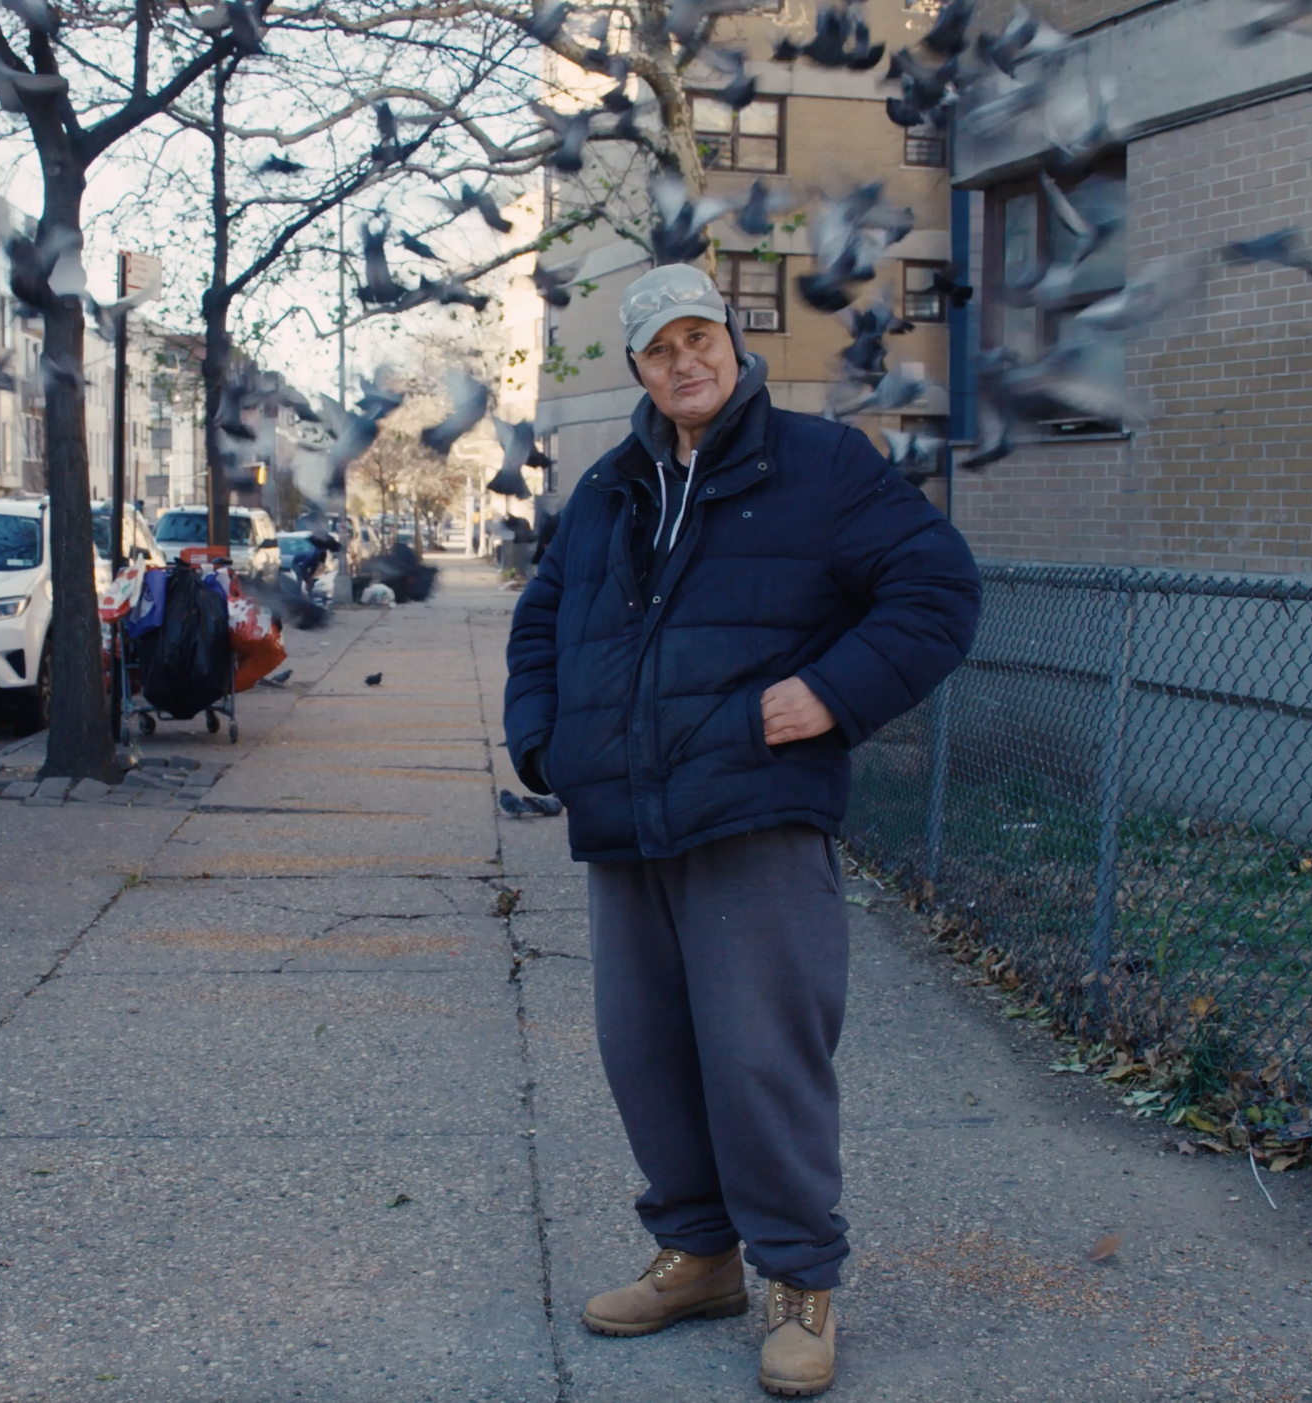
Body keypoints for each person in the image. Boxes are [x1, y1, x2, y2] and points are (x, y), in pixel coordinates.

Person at [504, 263, 980, 1398]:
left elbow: (937, 591)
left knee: (761, 1057)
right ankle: (700, 1256)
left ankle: (800, 1281)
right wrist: (544, 743)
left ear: (731, 341)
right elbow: (540, 620)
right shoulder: (609, 486)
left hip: (753, 812)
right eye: (660, 347)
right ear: (636, 367)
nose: (685, 360)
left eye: (699, 337)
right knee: (645, 1055)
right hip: (623, 819)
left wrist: (832, 693)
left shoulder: (818, 465)